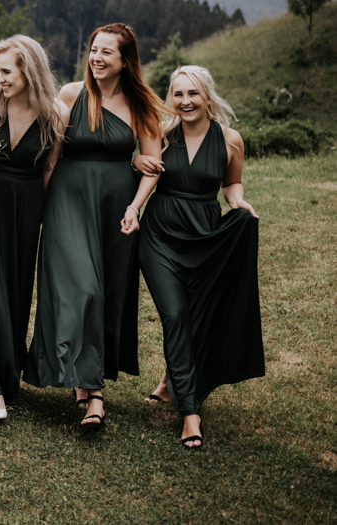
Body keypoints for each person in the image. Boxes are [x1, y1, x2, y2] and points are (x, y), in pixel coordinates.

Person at [23, 23, 166, 428]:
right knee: (81, 288)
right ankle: (95, 394)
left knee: (104, 295)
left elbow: (153, 164)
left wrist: (135, 206)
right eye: (93, 50)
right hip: (68, 200)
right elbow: (50, 157)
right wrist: (42, 209)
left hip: (115, 206)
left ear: (125, 60)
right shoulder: (71, 95)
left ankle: (83, 380)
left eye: (106, 52)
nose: (97, 58)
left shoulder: (141, 106)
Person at [136, 65, 263, 449]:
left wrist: (239, 204)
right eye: (178, 94)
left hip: (204, 236)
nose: (185, 101)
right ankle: (190, 412)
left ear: (207, 95)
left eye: (193, 93)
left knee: (196, 314)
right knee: (175, 314)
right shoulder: (161, 133)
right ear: (171, 98)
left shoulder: (230, 140)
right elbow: (144, 168)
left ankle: (170, 381)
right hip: (160, 237)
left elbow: (232, 183)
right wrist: (136, 163)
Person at [0, 35, 67, 420]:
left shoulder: (55, 113)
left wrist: (42, 217)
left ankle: (6, 376)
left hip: (26, 209)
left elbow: (49, 168)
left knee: (15, 292)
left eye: (6, 71)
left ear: (29, 70)